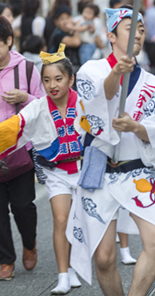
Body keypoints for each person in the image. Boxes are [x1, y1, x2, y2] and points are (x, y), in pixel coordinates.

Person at [66, 6, 155, 296]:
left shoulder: (152, 83)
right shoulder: (91, 70)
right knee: (104, 258)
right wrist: (115, 72)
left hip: (137, 169)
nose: (138, 33)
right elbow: (96, 103)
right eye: (130, 28)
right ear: (111, 35)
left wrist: (136, 127)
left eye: (140, 29)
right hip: (100, 169)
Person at [0, 43, 83, 294]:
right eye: (47, 80)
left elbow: (105, 129)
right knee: (61, 219)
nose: (52, 85)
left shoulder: (83, 103)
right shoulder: (38, 105)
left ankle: (76, 266)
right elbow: (14, 127)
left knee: (82, 221)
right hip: (56, 172)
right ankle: (63, 275)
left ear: (71, 79)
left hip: (83, 170)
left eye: (58, 78)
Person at [0, 16, 45, 281]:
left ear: (8, 41)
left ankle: (30, 243)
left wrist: (25, 98)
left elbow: (43, 105)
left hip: (20, 149)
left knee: (23, 205)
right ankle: (6, 259)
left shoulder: (27, 69)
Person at [48, 6, 81, 74]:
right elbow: (76, 42)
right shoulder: (57, 35)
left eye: (68, 17)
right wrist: (76, 28)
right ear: (56, 22)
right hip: (62, 72)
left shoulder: (71, 32)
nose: (66, 21)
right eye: (62, 19)